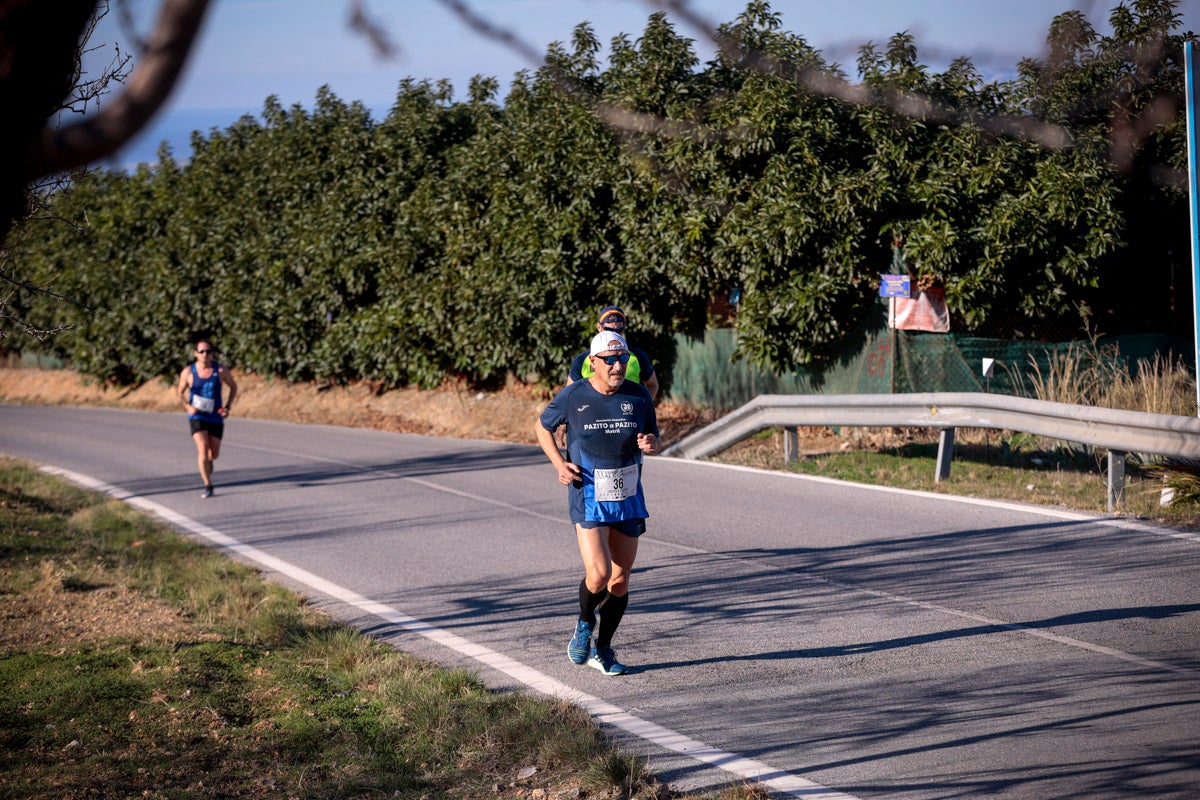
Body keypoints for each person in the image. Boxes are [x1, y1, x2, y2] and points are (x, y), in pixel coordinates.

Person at [535, 329, 661, 676]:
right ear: (593, 363)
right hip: (588, 493)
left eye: (622, 359)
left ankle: (603, 650)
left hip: (629, 495)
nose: (617, 365)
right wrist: (559, 464)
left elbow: (652, 436)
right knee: (599, 573)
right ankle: (584, 623)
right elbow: (542, 427)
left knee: (620, 581)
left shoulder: (638, 397)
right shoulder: (573, 395)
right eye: (609, 360)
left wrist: (651, 444)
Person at [177, 339, 238, 498]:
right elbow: (179, 392)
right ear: (196, 354)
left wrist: (227, 407)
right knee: (203, 449)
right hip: (197, 415)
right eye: (202, 351)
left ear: (212, 353)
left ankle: (209, 462)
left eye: (208, 351)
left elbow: (233, 386)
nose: (205, 354)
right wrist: (187, 406)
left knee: (214, 454)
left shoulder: (221, 370)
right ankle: (208, 485)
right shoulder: (188, 372)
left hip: (215, 416)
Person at [567, 305, 658, 400]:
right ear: (599, 327)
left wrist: (643, 406)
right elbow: (569, 392)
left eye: (619, 330)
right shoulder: (582, 360)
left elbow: (652, 385)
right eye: (608, 330)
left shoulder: (638, 356)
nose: (613, 334)